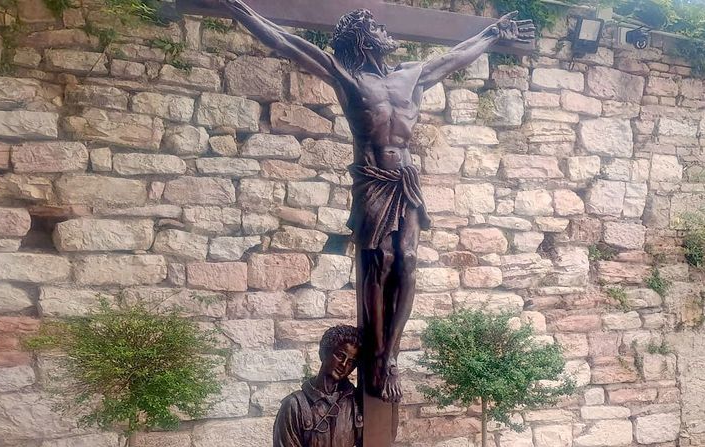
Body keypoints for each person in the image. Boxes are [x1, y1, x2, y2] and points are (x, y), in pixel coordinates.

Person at [221, 0, 534, 403]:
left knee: (408, 259)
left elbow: (454, 57)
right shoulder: (347, 77)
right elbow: (286, 42)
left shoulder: (411, 75)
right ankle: (377, 351)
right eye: (379, 29)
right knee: (380, 262)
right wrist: (237, 9)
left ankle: (390, 355)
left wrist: (492, 33)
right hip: (372, 180)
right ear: (365, 41)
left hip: (405, 179)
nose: (388, 33)